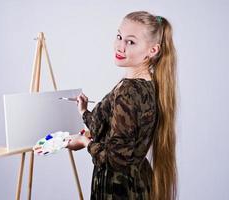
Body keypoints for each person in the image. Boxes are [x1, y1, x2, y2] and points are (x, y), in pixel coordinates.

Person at [66, 11, 177, 200]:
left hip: (119, 190)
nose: (120, 46)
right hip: (136, 182)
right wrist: (84, 111)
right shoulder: (147, 83)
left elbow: (115, 159)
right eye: (119, 37)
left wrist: (85, 142)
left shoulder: (129, 91)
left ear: (153, 50)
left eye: (131, 42)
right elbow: (117, 132)